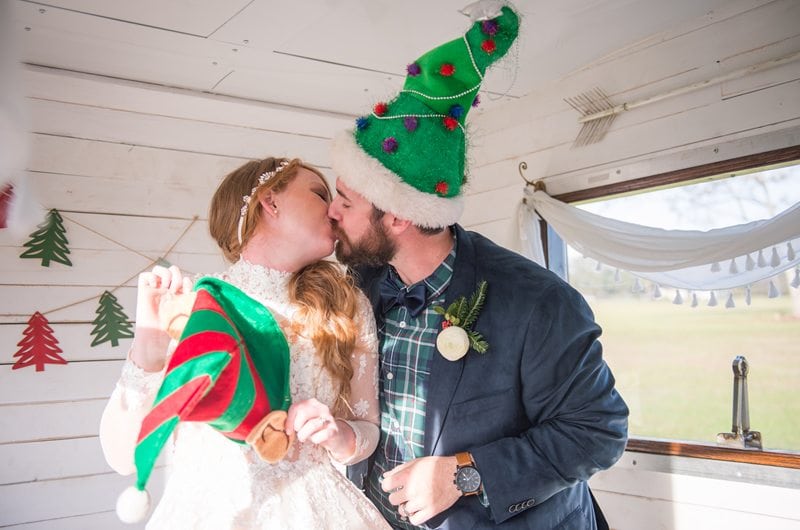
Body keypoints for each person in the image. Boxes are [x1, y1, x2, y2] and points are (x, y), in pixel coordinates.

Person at [327, 4, 629, 530]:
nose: (333, 213)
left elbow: (597, 431)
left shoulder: (538, 303)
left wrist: (465, 475)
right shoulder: (361, 286)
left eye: (345, 200)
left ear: (397, 215)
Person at [99, 157, 391, 529]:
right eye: (320, 194)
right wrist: (148, 353)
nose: (335, 210)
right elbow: (122, 457)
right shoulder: (196, 304)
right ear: (270, 202)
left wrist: (339, 435)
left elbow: (367, 428)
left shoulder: (348, 308)